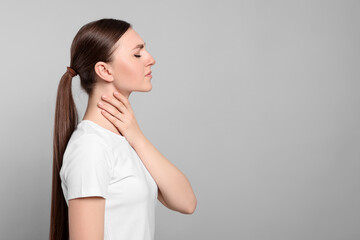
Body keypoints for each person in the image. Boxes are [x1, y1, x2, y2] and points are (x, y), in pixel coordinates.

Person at [49, 18, 197, 240]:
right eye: (137, 54)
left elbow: (186, 203)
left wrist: (136, 136)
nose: (151, 59)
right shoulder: (90, 148)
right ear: (105, 70)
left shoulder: (124, 140)